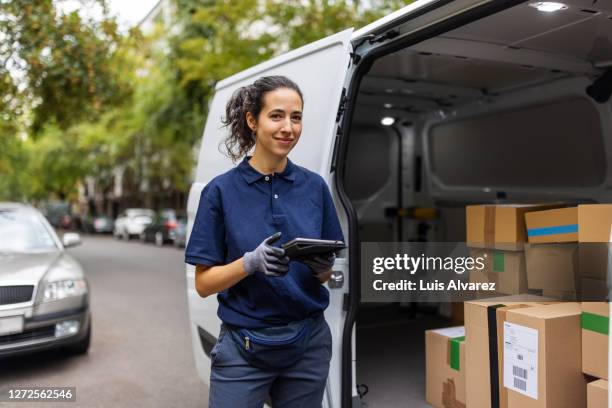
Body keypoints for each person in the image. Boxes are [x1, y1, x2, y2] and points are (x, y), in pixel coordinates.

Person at [185, 75, 345, 408]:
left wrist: (321, 268)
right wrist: (249, 263)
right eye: (277, 116)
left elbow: (325, 275)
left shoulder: (314, 188)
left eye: (296, 117)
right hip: (245, 349)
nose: (288, 127)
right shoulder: (221, 192)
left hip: (307, 345)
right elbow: (203, 283)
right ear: (252, 120)